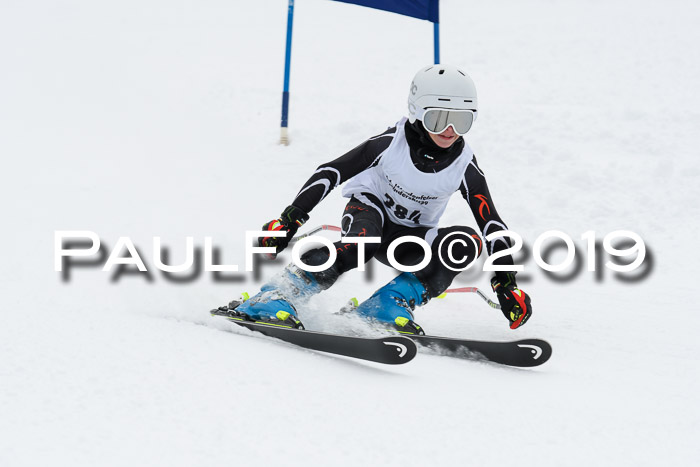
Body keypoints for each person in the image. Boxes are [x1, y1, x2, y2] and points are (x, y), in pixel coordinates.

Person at [231, 64, 532, 335]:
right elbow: (331, 172)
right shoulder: (391, 144)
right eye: (439, 119)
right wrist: (289, 220)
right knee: (363, 241)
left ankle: (386, 305)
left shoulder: (464, 165)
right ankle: (278, 295)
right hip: (369, 211)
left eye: (462, 121)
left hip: (410, 239)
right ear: (417, 110)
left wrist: (506, 284)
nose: (450, 131)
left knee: (464, 242)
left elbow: (492, 224)